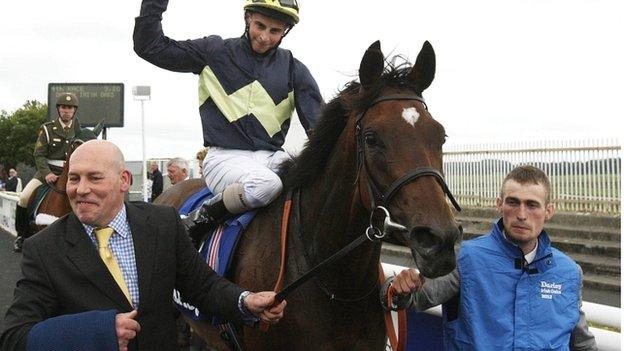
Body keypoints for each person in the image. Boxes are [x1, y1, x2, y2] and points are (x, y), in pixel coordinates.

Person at [0, 140, 286, 351]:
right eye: (74, 178)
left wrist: (245, 301)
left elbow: (202, 286)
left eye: (94, 177)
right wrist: (99, 331)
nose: (81, 189)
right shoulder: (43, 249)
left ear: (124, 180)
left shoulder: (164, 223)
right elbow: (15, 337)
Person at [133, 0, 323, 229]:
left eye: (275, 31)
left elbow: (320, 129)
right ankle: (199, 220)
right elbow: (150, 46)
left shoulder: (295, 69)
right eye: (260, 26)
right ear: (248, 18)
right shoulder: (215, 52)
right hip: (224, 159)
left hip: (273, 158)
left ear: (285, 32)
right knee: (267, 184)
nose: (264, 37)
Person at [382, 165, 597, 350]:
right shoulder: (467, 258)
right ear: (499, 204)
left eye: (532, 205)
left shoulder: (568, 272)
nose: (521, 214)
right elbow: (415, 297)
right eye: (513, 202)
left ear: (548, 211)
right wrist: (398, 287)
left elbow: (582, 343)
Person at [13, 92, 82, 253]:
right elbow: (39, 154)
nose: (66, 110)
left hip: (72, 174)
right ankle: (21, 235)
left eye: (70, 108)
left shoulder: (79, 131)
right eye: (63, 107)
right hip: (48, 173)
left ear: (74, 111)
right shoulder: (47, 129)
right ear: (59, 109)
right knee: (23, 198)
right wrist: (47, 174)